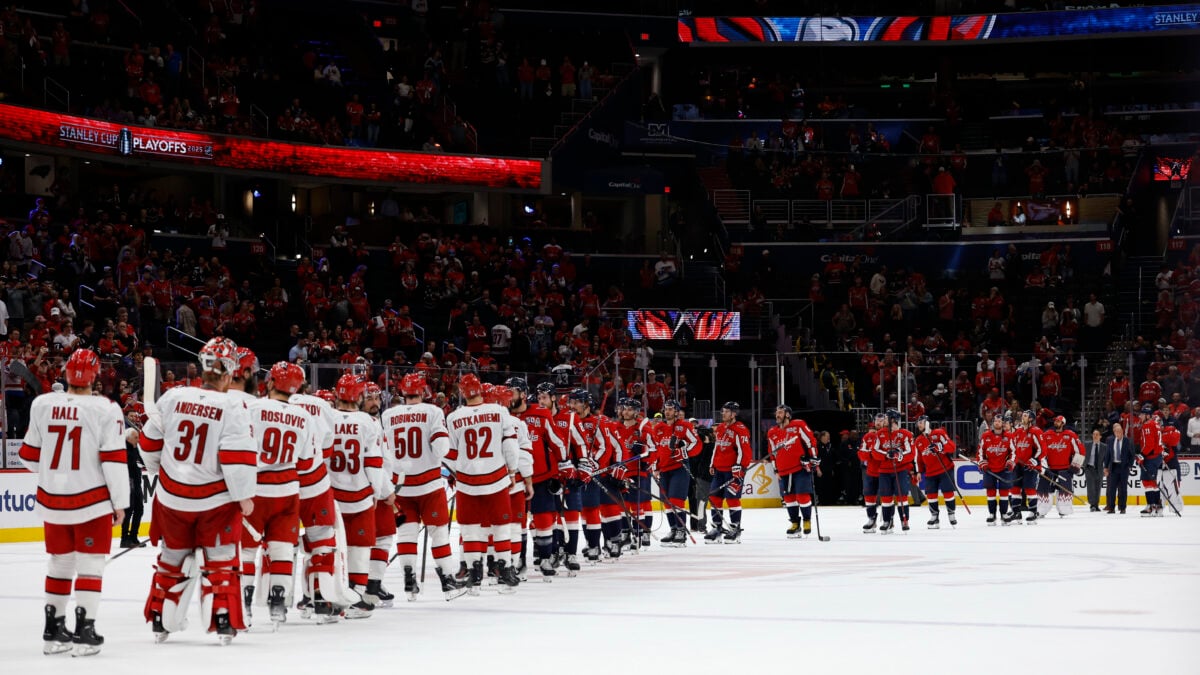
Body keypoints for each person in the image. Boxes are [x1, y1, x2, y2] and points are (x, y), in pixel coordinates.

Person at [139, 337, 255, 645]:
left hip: (172, 498)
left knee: (172, 556)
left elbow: (149, 444)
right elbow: (237, 459)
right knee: (221, 559)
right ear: (230, 372)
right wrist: (245, 497)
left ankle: (161, 617)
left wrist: (157, 470)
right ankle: (223, 619)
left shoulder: (173, 397)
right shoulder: (234, 404)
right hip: (214, 502)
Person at [19, 349, 129, 656]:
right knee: (90, 565)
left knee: (59, 564)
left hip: (52, 501)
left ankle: (53, 632)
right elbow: (113, 461)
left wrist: (57, 473)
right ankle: (85, 631)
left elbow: (28, 457)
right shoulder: (106, 409)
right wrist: (120, 502)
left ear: (67, 373)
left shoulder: (42, 404)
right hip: (91, 500)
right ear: (94, 376)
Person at [242, 362, 318, 627]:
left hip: (254, 489)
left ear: (271, 382)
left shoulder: (252, 408)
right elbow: (308, 461)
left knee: (247, 552)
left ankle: (245, 606)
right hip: (287, 489)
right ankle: (278, 606)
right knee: (282, 550)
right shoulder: (304, 416)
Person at [382, 373, 467, 599]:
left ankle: (409, 582)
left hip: (400, 485)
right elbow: (441, 447)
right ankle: (448, 583)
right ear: (423, 392)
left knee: (406, 532)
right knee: (439, 533)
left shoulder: (388, 415)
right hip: (429, 484)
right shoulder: (433, 412)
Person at [446, 374, 520, 593]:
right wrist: (513, 470)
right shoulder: (499, 412)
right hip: (496, 478)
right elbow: (510, 446)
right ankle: (505, 571)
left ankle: (474, 575)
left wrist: (453, 474)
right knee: (501, 528)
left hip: (467, 481)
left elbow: (450, 454)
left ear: (461, 393)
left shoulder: (453, 417)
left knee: (470, 530)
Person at [327, 373, 387, 617]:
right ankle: (357, 598)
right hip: (359, 495)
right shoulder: (368, 422)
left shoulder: (325, 417)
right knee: (359, 549)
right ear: (359, 396)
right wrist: (377, 491)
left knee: (329, 548)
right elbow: (374, 463)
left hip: (330, 495)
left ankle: (321, 597)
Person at [509, 377, 569, 580]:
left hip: (541, 476)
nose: (509, 397)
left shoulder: (541, 414)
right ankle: (518, 560)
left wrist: (564, 464)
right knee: (516, 522)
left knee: (543, 519)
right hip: (513, 478)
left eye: (513, 392)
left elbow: (556, 441)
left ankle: (545, 558)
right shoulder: (503, 416)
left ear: (523, 395)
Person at [537, 382, 584, 574]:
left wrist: (582, 468)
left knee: (572, 514)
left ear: (554, 398)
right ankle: (555, 552)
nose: (541, 402)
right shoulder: (537, 417)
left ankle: (571, 553)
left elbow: (580, 445)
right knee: (552, 516)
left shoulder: (570, 417)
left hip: (568, 473)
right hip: (548, 475)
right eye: (539, 398)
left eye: (544, 398)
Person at [766, 405, 818, 538]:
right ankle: (795, 523)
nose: (777, 415)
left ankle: (807, 520)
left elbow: (810, 440)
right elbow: (772, 453)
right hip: (783, 470)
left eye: (781, 412)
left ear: (788, 415)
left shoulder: (798, 425)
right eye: (776, 412)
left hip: (800, 467)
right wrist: (775, 469)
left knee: (802, 496)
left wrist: (813, 457)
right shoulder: (772, 432)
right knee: (788, 499)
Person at [654, 399, 699, 546]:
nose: (667, 412)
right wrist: (655, 466)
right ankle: (673, 529)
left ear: (677, 411)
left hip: (679, 468)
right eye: (666, 409)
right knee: (666, 501)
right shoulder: (658, 427)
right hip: (664, 470)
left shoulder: (684, 426)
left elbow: (696, 443)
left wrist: (683, 451)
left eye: (671, 409)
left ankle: (681, 531)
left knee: (676, 500)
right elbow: (654, 449)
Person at [612, 398, 656, 549]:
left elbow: (653, 450)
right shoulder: (616, 427)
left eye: (630, 409)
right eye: (624, 408)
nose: (625, 412)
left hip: (638, 471)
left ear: (636, 412)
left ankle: (640, 533)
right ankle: (625, 533)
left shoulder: (643, 429)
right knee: (622, 505)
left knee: (637, 504)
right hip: (621, 472)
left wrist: (644, 455)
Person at [707, 401, 752, 543]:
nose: (723, 414)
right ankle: (717, 528)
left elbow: (745, 451)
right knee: (715, 499)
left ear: (734, 414)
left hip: (734, 472)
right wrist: (712, 463)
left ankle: (735, 529)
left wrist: (740, 466)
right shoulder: (720, 428)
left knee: (732, 499)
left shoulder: (740, 429)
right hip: (719, 470)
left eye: (726, 411)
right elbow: (717, 447)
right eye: (723, 411)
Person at [913, 416, 958, 529]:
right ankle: (934, 516)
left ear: (927, 423)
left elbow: (952, 447)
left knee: (948, 493)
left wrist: (940, 446)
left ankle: (951, 514)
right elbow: (918, 458)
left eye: (921, 422)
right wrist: (919, 471)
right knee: (931, 496)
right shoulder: (918, 440)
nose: (919, 425)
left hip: (945, 469)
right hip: (930, 472)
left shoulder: (938, 433)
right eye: (918, 423)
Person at [1038, 416, 1082, 518]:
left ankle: (1064, 510)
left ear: (1063, 423)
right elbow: (1040, 450)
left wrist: (1074, 467)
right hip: (1049, 469)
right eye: (1055, 421)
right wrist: (1043, 465)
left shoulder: (1070, 435)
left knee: (1065, 491)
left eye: (1058, 421)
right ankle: (1041, 510)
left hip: (1065, 470)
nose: (1056, 422)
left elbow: (1080, 451)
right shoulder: (1047, 434)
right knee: (1044, 490)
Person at [976, 414, 1015, 526]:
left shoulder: (1009, 436)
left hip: (1004, 469)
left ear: (1003, 423)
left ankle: (1003, 514)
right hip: (990, 469)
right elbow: (980, 452)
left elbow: (1014, 452)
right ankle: (992, 514)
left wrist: (1010, 462)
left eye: (999, 421)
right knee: (991, 492)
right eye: (995, 421)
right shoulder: (985, 435)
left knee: (1004, 493)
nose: (996, 422)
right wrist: (982, 463)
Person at [1007, 410, 1044, 523]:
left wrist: (1034, 460)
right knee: (1015, 489)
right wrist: (1013, 460)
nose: (1023, 416)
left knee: (1029, 489)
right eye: (1023, 415)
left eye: (1026, 415)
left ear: (1031, 419)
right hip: (1018, 465)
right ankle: (1016, 512)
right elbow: (1013, 447)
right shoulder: (1018, 432)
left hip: (1031, 466)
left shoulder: (1036, 431)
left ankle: (1033, 511)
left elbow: (1042, 449)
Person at [858, 413, 886, 532]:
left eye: (881, 420)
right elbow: (861, 454)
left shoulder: (888, 435)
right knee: (869, 496)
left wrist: (874, 455)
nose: (878, 422)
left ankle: (888, 520)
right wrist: (872, 454)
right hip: (871, 472)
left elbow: (885, 456)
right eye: (876, 420)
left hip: (885, 471)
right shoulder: (868, 436)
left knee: (887, 497)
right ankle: (871, 519)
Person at [1136, 405, 1165, 517]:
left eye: (1142, 414)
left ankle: (1151, 506)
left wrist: (1141, 455)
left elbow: (1149, 445)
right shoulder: (1156, 424)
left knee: (1147, 482)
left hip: (1151, 457)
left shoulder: (1147, 425)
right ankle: (1157, 507)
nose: (1140, 416)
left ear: (1147, 415)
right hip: (1156, 457)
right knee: (1153, 482)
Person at [1105, 422, 1134, 514]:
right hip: (1113, 467)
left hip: (1123, 467)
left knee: (1123, 489)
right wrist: (1106, 467)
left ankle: (1122, 507)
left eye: (1119, 431)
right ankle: (1111, 507)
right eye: (1116, 431)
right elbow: (1108, 455)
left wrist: (1129, 466)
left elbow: (1131, 455)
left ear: (1122, 432)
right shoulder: (1110, 440)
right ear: (1114, 432)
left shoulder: (1127, 441)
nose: (1117, 433)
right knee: (1111, 488)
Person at [1082, 429, 1110, 512]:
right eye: (1094, 434)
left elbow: (1106, 459)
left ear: (1100, 436)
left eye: (1097, 434)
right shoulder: (1087, 445)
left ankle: (1096, 504)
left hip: (1099, 469)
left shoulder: (1104, 446)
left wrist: (1106, 468)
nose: (1095, 436)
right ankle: (1092, 505)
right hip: (1089, 468)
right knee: (1091, 487)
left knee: (1098, 487)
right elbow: (1081, 454)